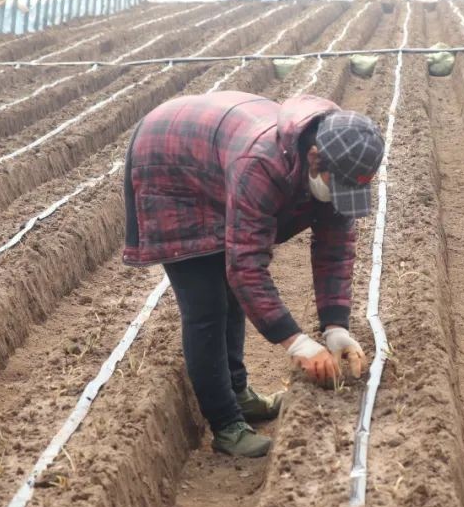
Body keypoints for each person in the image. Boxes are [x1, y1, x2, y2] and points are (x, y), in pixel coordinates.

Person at [123, 92, 383, 456]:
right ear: (313, 158)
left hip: (215, 156)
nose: (342, 197)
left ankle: (239, 393)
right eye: (338, 186)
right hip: (168, 163)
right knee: (207, 305)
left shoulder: (338, 158)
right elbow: (245, 266)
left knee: (230, 294)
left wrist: (335, 327)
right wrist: (296, 342)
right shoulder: (261, 165)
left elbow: (335, 249)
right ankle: (226, 424)